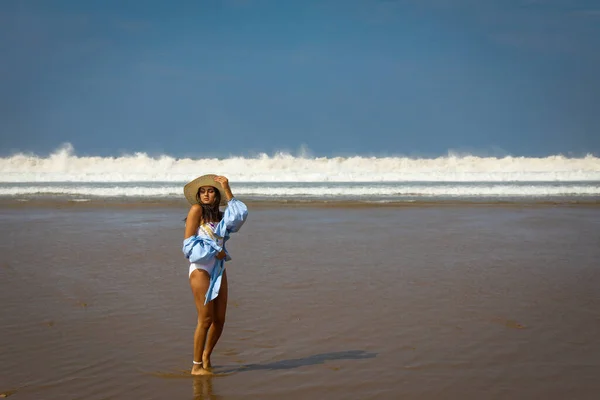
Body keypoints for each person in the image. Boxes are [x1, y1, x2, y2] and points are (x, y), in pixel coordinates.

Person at [182, 174, 248, 375]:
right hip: (200, 268)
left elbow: (239, 216)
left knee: (220, 319)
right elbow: (187, 245)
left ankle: (206, 356)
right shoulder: (196, 211)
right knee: (206, 319)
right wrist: (214, 250)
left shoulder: (221, 217)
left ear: (217, 196)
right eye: (202, 191)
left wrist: (227, 188)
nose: (206, 195)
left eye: (211, 191)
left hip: (218, 267)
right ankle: (195, 367)